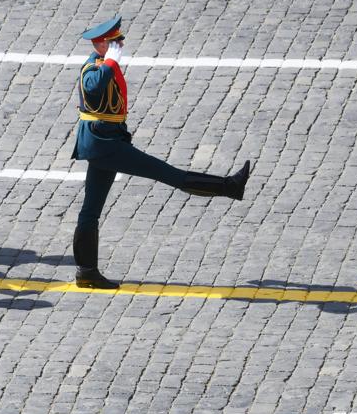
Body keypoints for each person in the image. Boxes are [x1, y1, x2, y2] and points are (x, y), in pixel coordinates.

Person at [68, 16, 252, 288]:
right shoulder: (93, 69)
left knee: (91, 210)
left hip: (107, 141)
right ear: (101, 44)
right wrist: (111, 61)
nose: (119, 44)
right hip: (103, 145)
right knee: (167, 173)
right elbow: (94, 88)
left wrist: (111, 61)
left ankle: (86, 272)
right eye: (114, 42)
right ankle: (229, 187)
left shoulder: (104, 64)